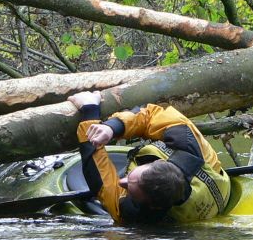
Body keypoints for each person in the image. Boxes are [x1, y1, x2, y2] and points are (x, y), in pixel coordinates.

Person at [67, 91, 231, 225]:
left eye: (129, 189)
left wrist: (89, 111)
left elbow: (99, 177)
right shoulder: (191, 143)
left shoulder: (133, 213)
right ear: (159, 161)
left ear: (153, 206)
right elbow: (150, 114)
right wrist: (112, 127)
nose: (121, 181)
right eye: (130, 178)